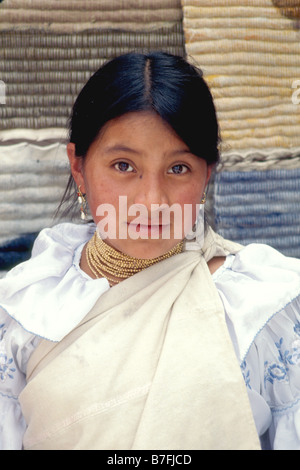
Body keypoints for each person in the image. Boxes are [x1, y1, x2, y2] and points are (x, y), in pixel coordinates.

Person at [1, 51, 300, 451]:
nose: (152, 200)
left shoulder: (263, 310)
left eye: (178, 169)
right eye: (124, 165)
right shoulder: (25, 311)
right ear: (79, 167)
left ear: (206, 174)